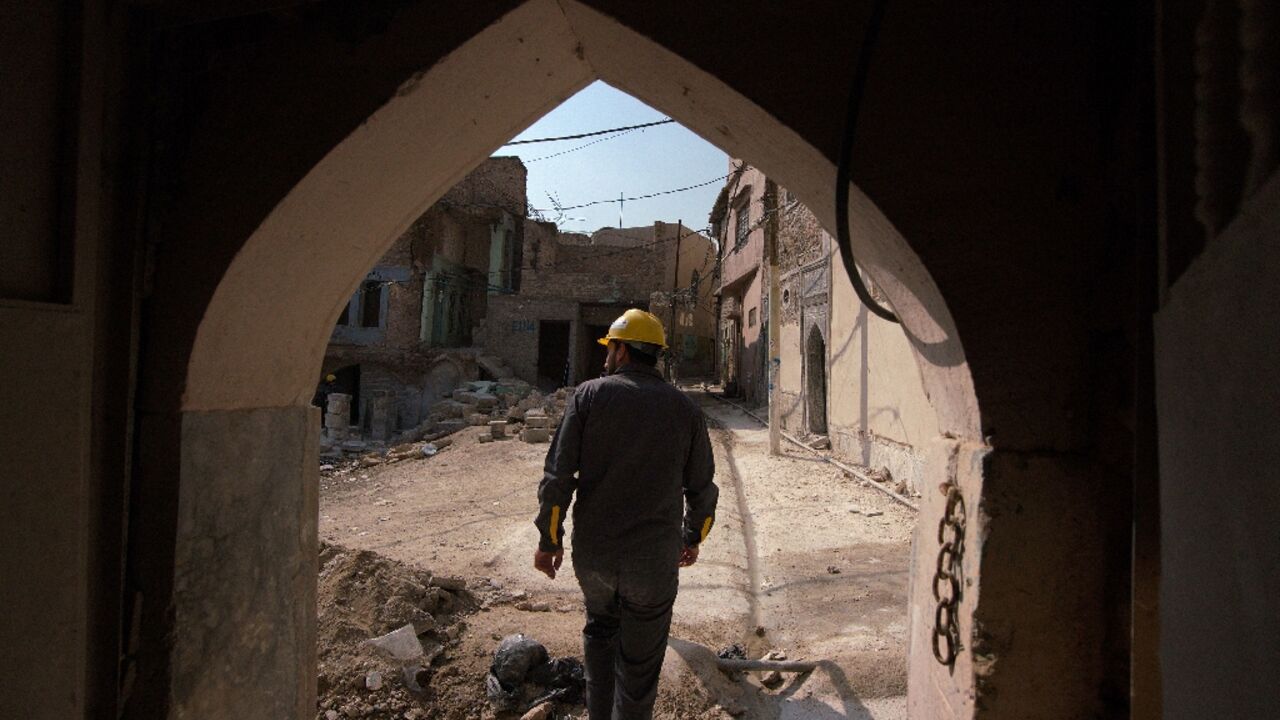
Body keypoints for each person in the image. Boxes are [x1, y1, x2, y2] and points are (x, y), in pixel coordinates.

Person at [533, 308, 718, 720]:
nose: (605, 357)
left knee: (601, 634)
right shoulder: (685, 410)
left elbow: (557, 478)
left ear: (621, 351)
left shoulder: (588, 396)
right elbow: (703, 490)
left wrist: (549, 541)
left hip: (595, 558)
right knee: (638, 671)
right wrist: (692, 538)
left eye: (609, 348)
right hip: (652, 564)